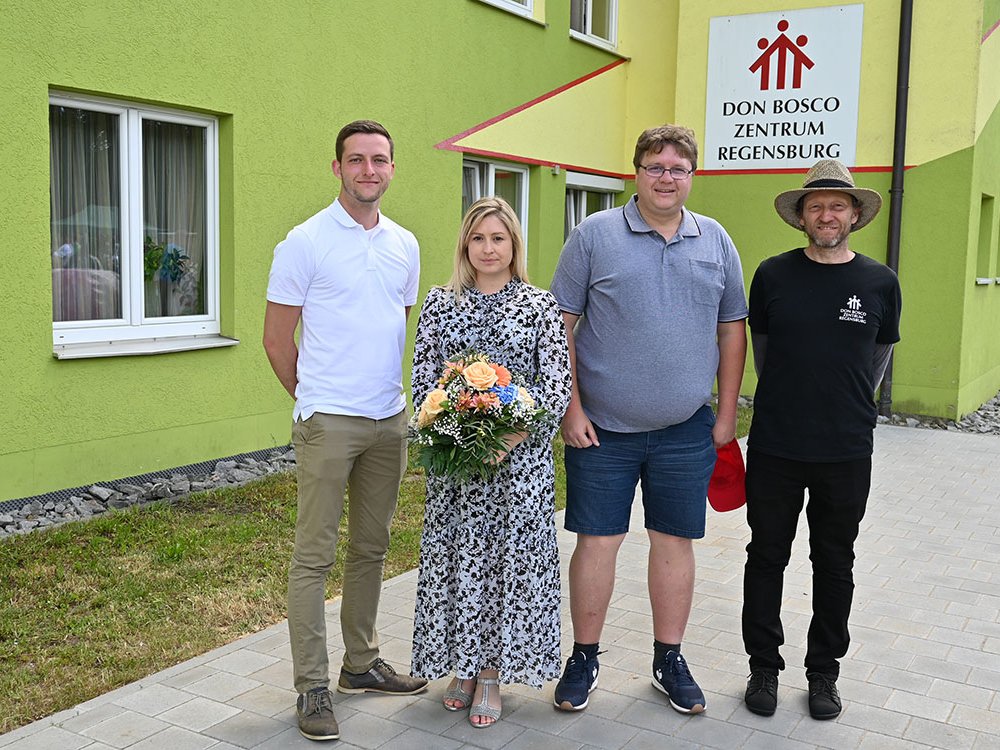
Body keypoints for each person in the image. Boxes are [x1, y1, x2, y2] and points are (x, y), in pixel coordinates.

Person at [550, 125, 748, 715]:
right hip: (602, 429)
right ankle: (584, 656)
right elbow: (560, 323)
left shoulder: (715, 240)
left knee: (674, 542)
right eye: (655, 166)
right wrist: (571, 407)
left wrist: (726, 415)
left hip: (687, 428)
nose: (667, 178)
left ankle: (669, 658)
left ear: (693, 176)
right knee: (598, 542)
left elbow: (731, 329)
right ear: (636, 171)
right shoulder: (594, 235)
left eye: (678, 168)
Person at [263, 119, 427, 743]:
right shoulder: (303, 241)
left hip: (390, 420)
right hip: (329, 420)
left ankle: (361, 663)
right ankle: (312, 686)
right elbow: (277, 340)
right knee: (313, 557)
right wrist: (314, 402)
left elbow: (395, 327)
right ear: (337, 168)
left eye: (379, 160)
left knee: (372, 548)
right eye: (356, 160)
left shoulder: (404, 244)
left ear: (391, 168)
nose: (368, 170)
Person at [741, 159, 901, 721]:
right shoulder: (772, 275)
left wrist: (847, 401)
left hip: (846, 450)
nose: (827, 214)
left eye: (838, 205)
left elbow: (878, 356)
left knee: (834, 563)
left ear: (854, 215)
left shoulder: (880, 281)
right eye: (817, 206)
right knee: (766, 557)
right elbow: (763, 351)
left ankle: (824, 673)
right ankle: (763, 665)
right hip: (776, 445)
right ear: (801, 216)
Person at [410, 196, 572, 729]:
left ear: (513, 246)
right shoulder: (440, 302)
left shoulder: (538, 304)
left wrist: (507, 438)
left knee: (505, 567)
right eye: (478, 237)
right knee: (459, 565)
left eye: (498, 238)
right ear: (465, 244)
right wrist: (456, 435)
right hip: (457, 468)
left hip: (517, 468)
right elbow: (424, 383)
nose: (487, 248)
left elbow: (555, 385)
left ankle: (492, 673)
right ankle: (461, 667)